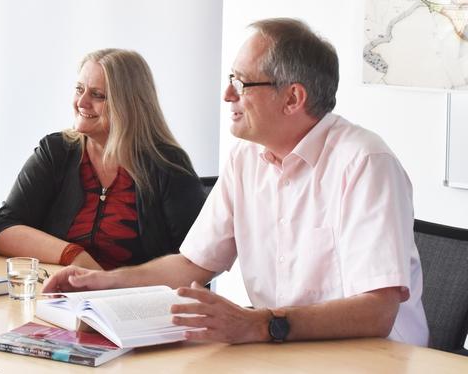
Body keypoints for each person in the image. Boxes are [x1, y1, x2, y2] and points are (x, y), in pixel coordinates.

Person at [44, 19, 428, 346]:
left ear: (293, 98)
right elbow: (193, 264)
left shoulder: (364, 163)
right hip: (282, 350)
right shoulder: (245, 159)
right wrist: (102, 282)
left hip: (371, 360)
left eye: (242, 83)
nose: (227, 94)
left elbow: (377, 312)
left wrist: (259, 324)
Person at [0, 49, 206, 270]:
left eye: (98, 95)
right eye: (79, 89)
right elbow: (5, 230)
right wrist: (74, 255)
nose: (82, 102)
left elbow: (196, 260)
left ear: (130, 104)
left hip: (134, 299)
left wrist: (107, 282)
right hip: (61, 298)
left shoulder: (168, 164)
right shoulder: (56, 151)